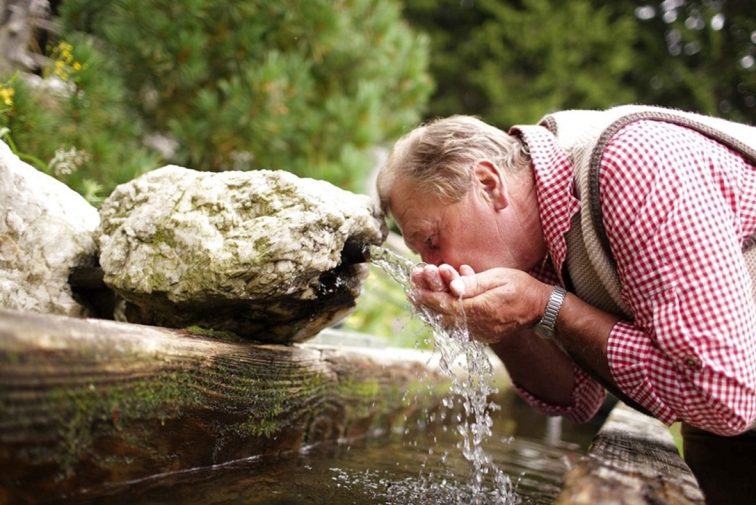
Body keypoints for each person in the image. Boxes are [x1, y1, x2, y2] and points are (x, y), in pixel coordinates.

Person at [375, 105, 756, 505]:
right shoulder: (538, 239)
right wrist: (484, 318)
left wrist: (548, 306)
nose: (434, 267)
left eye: (432, 241)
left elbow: (724, 397)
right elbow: (576, 397)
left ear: (489, 184)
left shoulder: (632, 164)